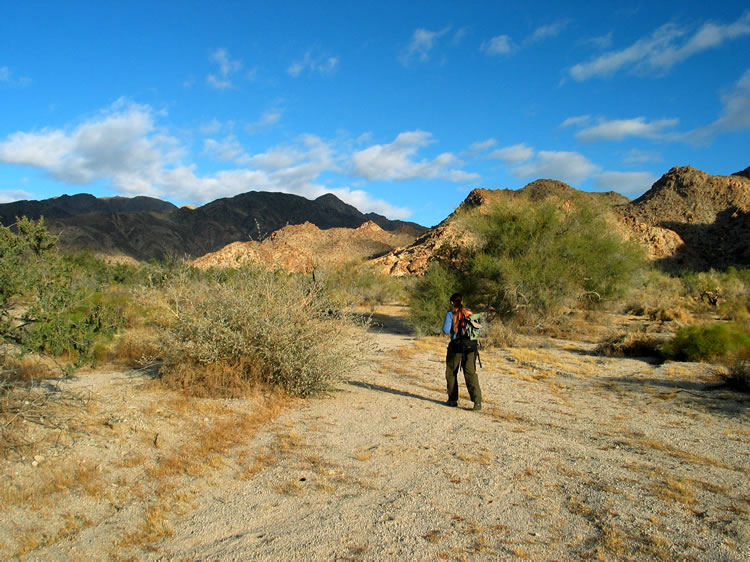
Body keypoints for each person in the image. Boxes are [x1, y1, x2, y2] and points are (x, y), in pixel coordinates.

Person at [442, 293, 482, 410]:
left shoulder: (450, 314)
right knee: (470, 373)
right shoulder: (469, 313)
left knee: (451, 372)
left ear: (451, 303)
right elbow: (477, 331)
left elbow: (445, 330)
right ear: (462, 301)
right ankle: (477, 401)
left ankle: (453, 400)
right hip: (471, 347)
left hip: (456, 347)